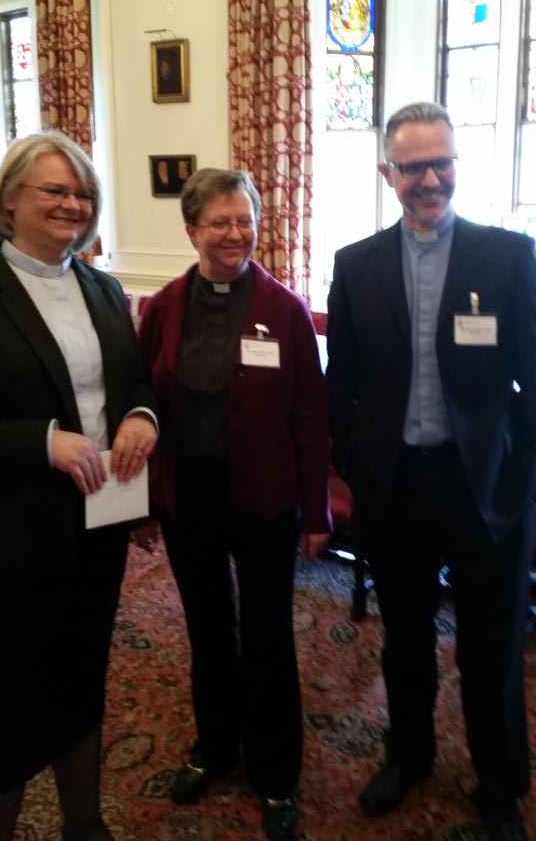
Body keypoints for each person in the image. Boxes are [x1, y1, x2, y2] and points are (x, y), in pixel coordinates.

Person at [326, 101, 536, 841]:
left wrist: (523, 474)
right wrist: (354, 457)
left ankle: (501, 784)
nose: (429, 178)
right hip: (396, 486)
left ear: (455, 162)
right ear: (388, 173)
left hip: (485, 488)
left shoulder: (510, 257)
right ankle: (407, 757)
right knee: (405, 635)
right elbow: (340, 381)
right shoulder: (354, 265)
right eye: (413, 166)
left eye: (441, 161)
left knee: (492, 644)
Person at [0, 131, 159, 841]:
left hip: (96, 532)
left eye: (83, 194)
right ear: (10, 198)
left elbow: (133, 384)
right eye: (55, 191)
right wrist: (40, 441)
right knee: (0, 712)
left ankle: (86, 824)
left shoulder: (103, 289)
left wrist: (141, 418)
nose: (73, 204)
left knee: (79, 683)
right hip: (4, 549)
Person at [137, 168, 330, 841]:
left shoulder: (284, 310)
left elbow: (310, 417)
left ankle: (276, 775)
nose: (235, 234)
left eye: (244, 220)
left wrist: (315, 513)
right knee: (208, 630)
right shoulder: (160, 308)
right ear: (191, 230)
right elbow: (142, 406)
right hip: (189, 496)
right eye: (219, 222)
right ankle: (216, 750)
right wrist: (142, 501)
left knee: (270, 636)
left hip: (265, 497)